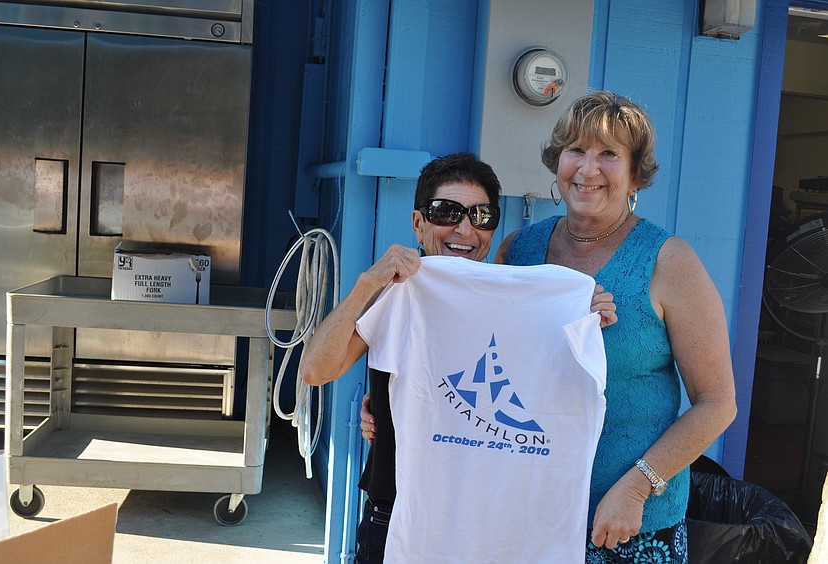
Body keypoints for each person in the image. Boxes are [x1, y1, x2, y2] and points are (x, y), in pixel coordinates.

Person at [300, 152, 616, 563]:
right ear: (418, 222)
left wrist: (582, 318)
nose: (464, 229)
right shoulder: (399, 292)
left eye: (481, 216)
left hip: (496, 525)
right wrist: (367, 286)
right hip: (399, 515)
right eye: (446, 212)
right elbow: (313, 371)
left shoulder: (529, 302)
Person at [494, 90, 737, 562]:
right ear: (557, 161)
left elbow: (717, 403)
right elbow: (488, 357)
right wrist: (389, 398)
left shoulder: (669, 261)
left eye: (609, 154)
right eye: (576, 151)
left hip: (625, 525)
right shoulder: (518, 249)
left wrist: (637, 487)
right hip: (527, 511)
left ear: (635, 175)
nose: (588, 169)